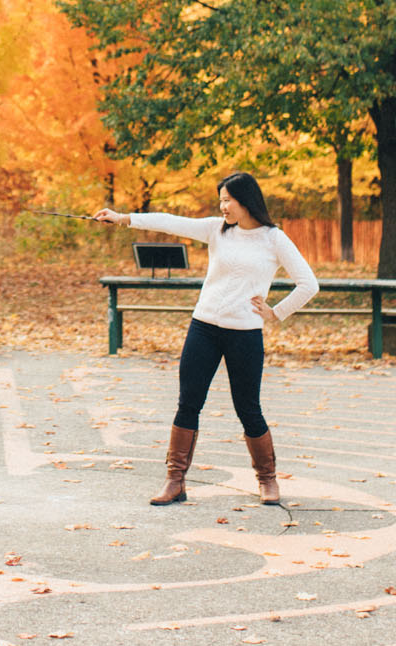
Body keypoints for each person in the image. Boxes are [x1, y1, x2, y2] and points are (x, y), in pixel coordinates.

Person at [97, 172, 317, 505]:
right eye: (221, 201)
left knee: (248, 409)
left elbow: (308, 284)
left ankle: (268, 480)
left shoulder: (273, 239)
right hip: (204, 327)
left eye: (228, 200)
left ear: (246, 200)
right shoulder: (217, 229)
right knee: (188, 403)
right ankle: (175, 481)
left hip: (244, 333)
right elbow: (171, 222)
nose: (223, 206)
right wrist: (124, 218)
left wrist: (276, 312)